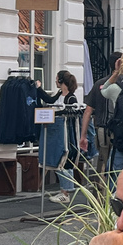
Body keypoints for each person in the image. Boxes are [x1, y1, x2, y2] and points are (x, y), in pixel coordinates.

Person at [39, 70, 82, 205]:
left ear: (61, 81)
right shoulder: (60, 94)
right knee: (60, 161)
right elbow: (49, 100)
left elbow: (71, 112)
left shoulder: (70, 98)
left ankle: (66, 192)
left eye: (57, 79)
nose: (55, 81)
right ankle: (64, 190)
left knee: (63, 160)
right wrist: (38, 89)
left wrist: (56, 112)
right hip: (57, 131)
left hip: (66, 132)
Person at [79, 50, 120, 164]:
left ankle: (102, 181)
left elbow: (88, 111)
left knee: (103, 163)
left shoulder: (99, 84)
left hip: (102, 129)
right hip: (121, 130)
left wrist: (83, 135)